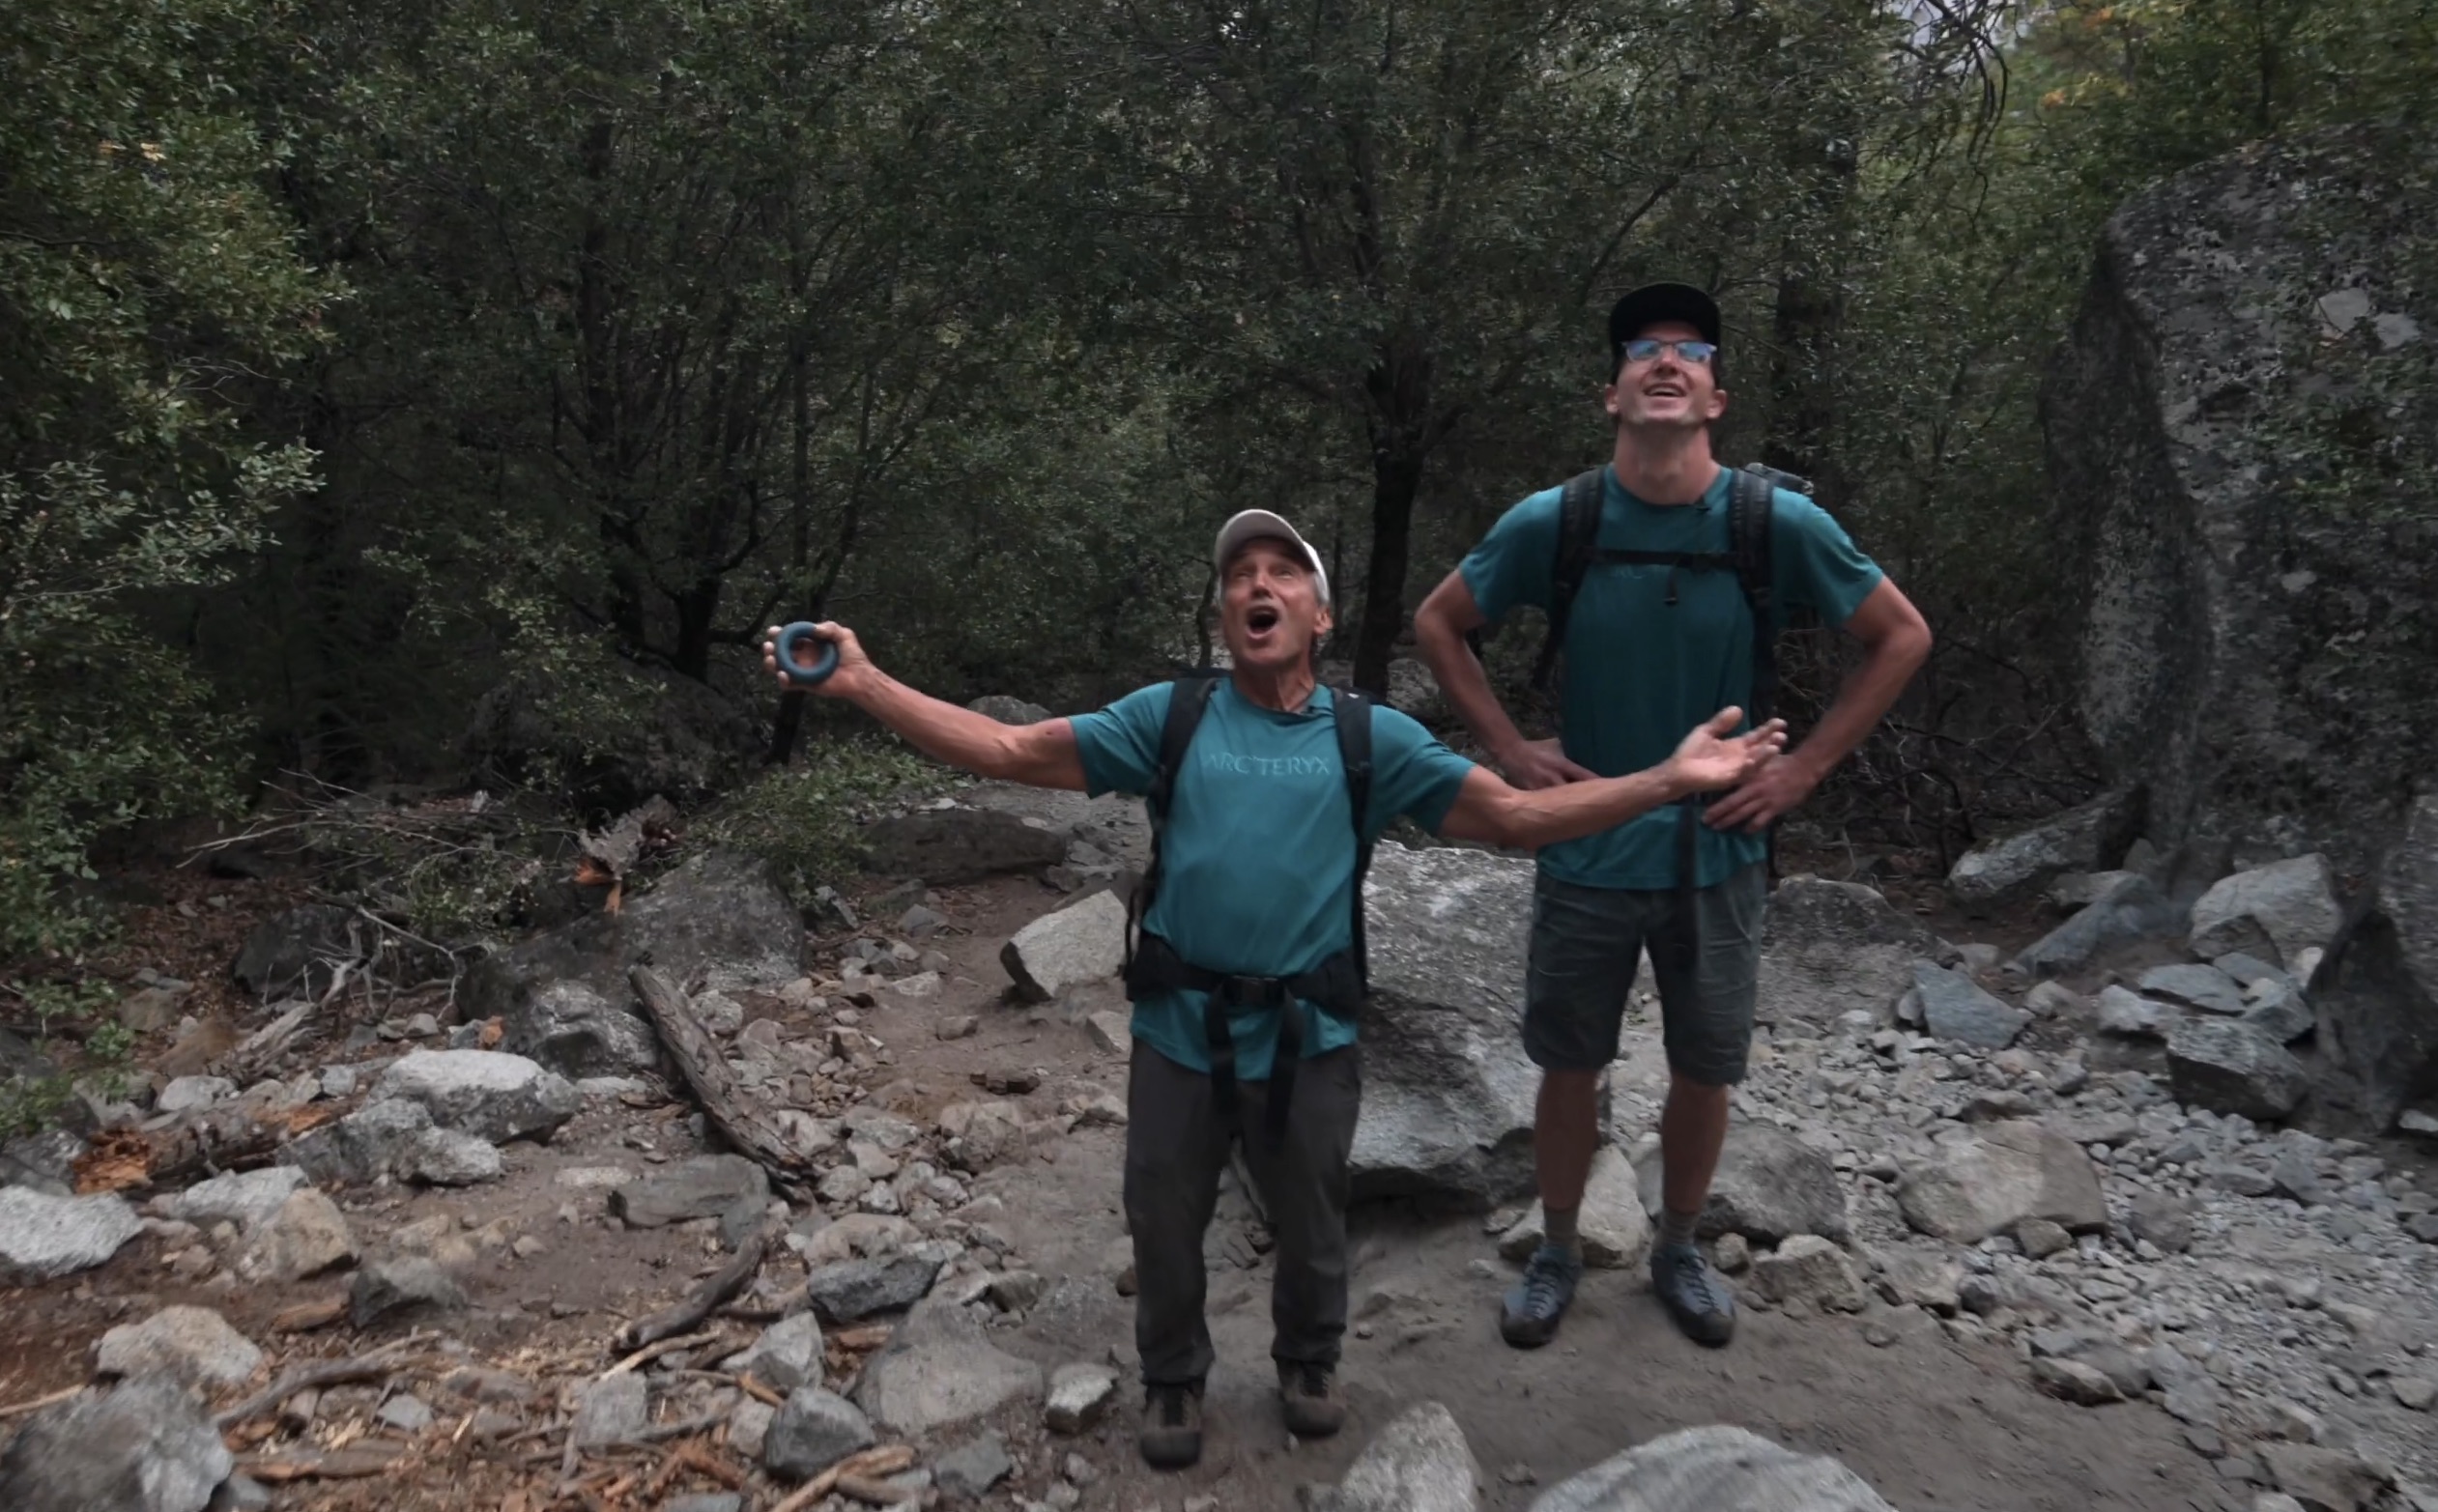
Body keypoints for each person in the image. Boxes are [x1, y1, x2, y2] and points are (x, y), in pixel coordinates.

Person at [764, 508, 1785, 1469]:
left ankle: (1308, 1357)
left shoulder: (1366, 738)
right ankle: (1173, 1378)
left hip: (1311, 1032)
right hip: (1176, 1025)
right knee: (1162, 1212)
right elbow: (1010, 748)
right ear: (1225, 617)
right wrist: (863, 682)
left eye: (1282, 572)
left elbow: (1515, 818)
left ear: (1319, 614)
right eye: (1239, 577)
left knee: (1312, 1212)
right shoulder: (1172, 716)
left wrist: (1668, 778)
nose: (1258, 585)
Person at [1412, 282, 1932, 1352]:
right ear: (1613, 393)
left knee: (1706, 1065)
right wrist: (1511, 750)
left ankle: (1679, 1247)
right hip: (1589, 842)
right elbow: (1440, 622)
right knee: (1568, 1062)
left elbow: (1902, 634)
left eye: (1688, 352)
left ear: (1715, 396)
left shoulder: (1768, 521)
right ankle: (1557, 1249)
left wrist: (1803, 773)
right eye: (1643, 350)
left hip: (1722, 848)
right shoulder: (1559, 520)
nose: (1665, 362)